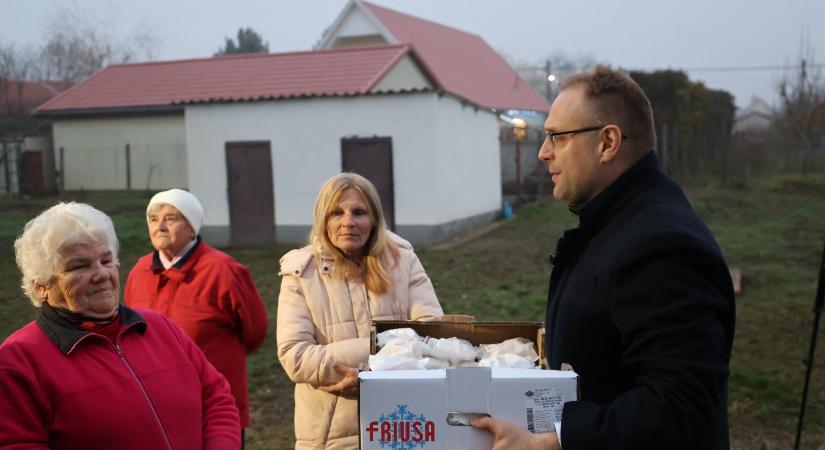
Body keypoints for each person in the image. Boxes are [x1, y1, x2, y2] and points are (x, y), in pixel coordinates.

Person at [472, 65, 736, 450]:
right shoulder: (617, 221)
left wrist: (551, 442)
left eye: (557, 137)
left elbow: (681, 406)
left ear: (608, 142)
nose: (544, 153)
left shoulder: (663, 246)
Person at [0, 202, 241, 450]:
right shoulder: (19, 359)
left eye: (106, 261)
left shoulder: (159, 327)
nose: (101, 274)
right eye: (80, 266)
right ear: (41, 286)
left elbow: (216, 397)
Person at [277, 172, 443, 449]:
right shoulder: (300, 273)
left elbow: (433, 336)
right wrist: (389, 347)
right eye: (336, 213)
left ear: (374, 219)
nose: (348, 222)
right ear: (322, 219)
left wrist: (370, 377)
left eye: (359, 212)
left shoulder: (403, 261)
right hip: (330, 435)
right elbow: (295, 357)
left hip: (401, 424)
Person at [124, 188, 268, 446]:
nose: (160, 225)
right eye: (154, 219)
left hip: (214, 406)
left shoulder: (223, 270)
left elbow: (255, 332)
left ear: (192, 227)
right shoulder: (139, 271)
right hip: (157, 407)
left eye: (171, 218)